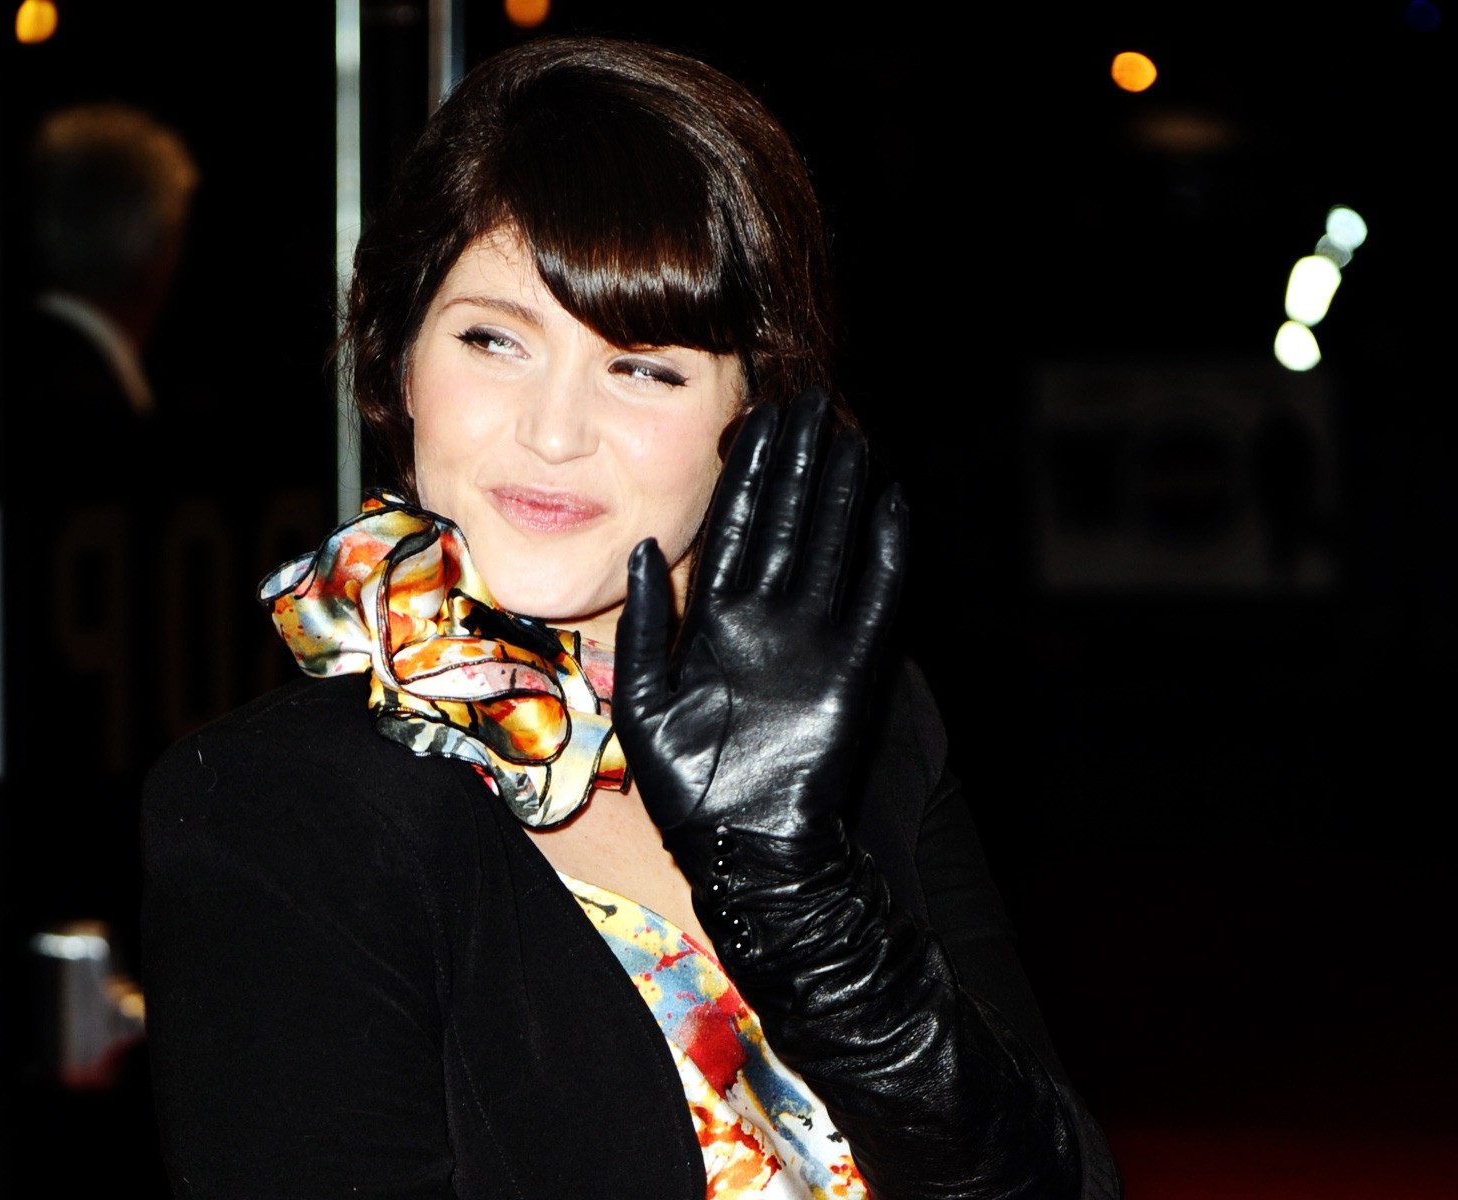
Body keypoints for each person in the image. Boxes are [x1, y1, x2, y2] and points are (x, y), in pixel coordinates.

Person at [141, 37, 1120, 1200]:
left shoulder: (870, 726)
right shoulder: (282, 806)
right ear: (401, 362)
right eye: (494, 339)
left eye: (643, 367)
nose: (553, 433)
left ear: (754, 408)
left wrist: (804, 906)